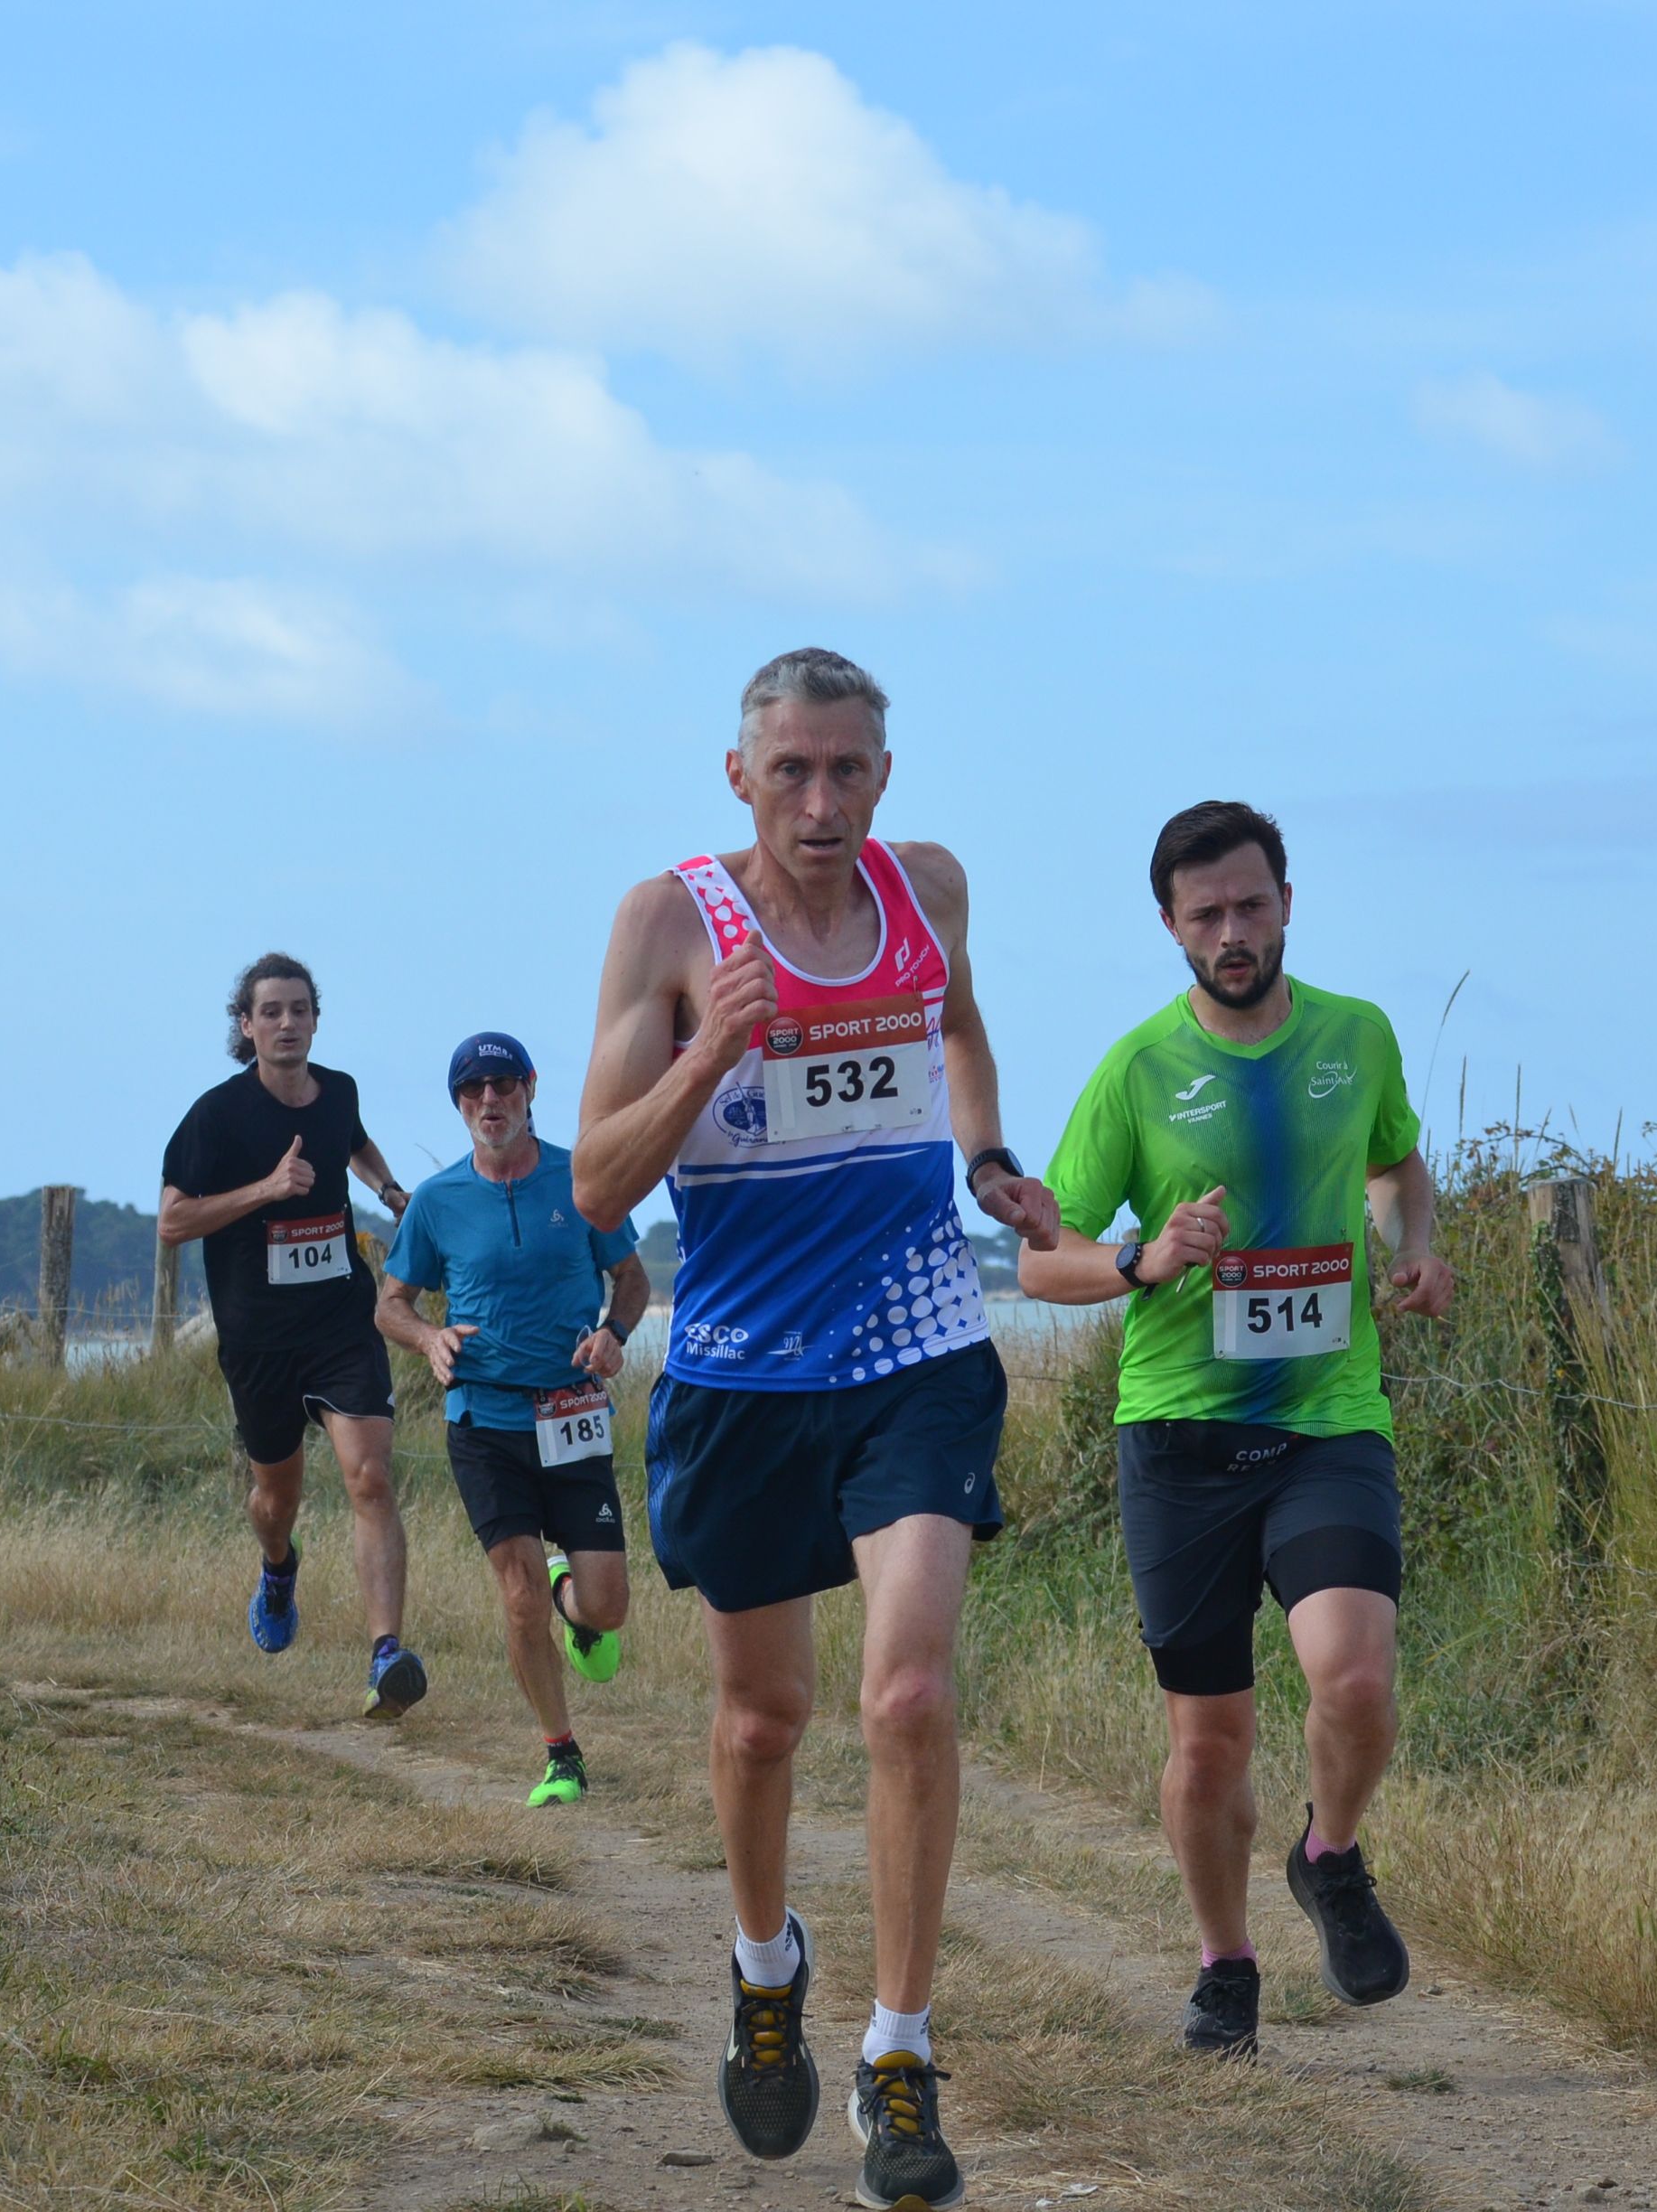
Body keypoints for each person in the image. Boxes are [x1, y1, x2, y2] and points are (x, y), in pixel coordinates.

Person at [572, 648, 1056, 2212]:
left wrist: (986, 1157)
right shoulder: (670, 923)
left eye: (849, 769)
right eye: (791, 770)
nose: (822, 800)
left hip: (919, 1346)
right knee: (763, 1721)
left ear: (885, 776)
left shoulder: (930, 888)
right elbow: (595, 1183)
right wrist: (711, 1051)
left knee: (906, 1692)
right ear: (741, 777)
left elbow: (958, 1027)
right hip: (742, 1375)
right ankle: (764, 1963)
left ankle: (899, 2053)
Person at [1016, 801, 1455, 2060]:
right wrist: (1144, 1258)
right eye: (1205, 914)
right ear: (1170, 926)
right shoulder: (1137, 1070)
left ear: (1287, 904)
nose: (1233, 932)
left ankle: (1331, 1854)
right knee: (1208, 1748)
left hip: (1329, 1423)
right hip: (1182, 1442)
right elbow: (1042, 1263)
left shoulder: (1357, 1036)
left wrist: (1415, 1249)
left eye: (1251, 905)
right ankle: (1226, 1968)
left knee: (1355, 1678)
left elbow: (1396, 1167)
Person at [377, 1030, 651, 1808]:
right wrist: (428, 1338)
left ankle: (575, 1600)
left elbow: (632, 1279)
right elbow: (390, 1304)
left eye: (503, 1085)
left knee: (608, 1605)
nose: (489, 1100)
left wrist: (614, 1333)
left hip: (572, 1413)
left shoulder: (581, 1178)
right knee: (518, 1594)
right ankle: (561, 1754)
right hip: (484, 1419)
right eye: (473, 1090)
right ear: (459, 1104)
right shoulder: (437, 1201)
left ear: (530, 1089)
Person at [158, 952, 429, 1718]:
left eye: (300, 1009)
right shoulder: (217, 1115)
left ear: (316, 1019)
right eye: (271, 1011)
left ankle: (386, 1654)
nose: (287, 1023)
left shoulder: (338, 1091)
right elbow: (173, 1221)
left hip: (342, 1323)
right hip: (259, 1341)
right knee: (275, 1502)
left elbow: (354, 1141)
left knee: (370, 1478)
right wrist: (267, 1190)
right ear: (246, 1026)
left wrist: (389, 1189)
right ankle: (279, 1569)